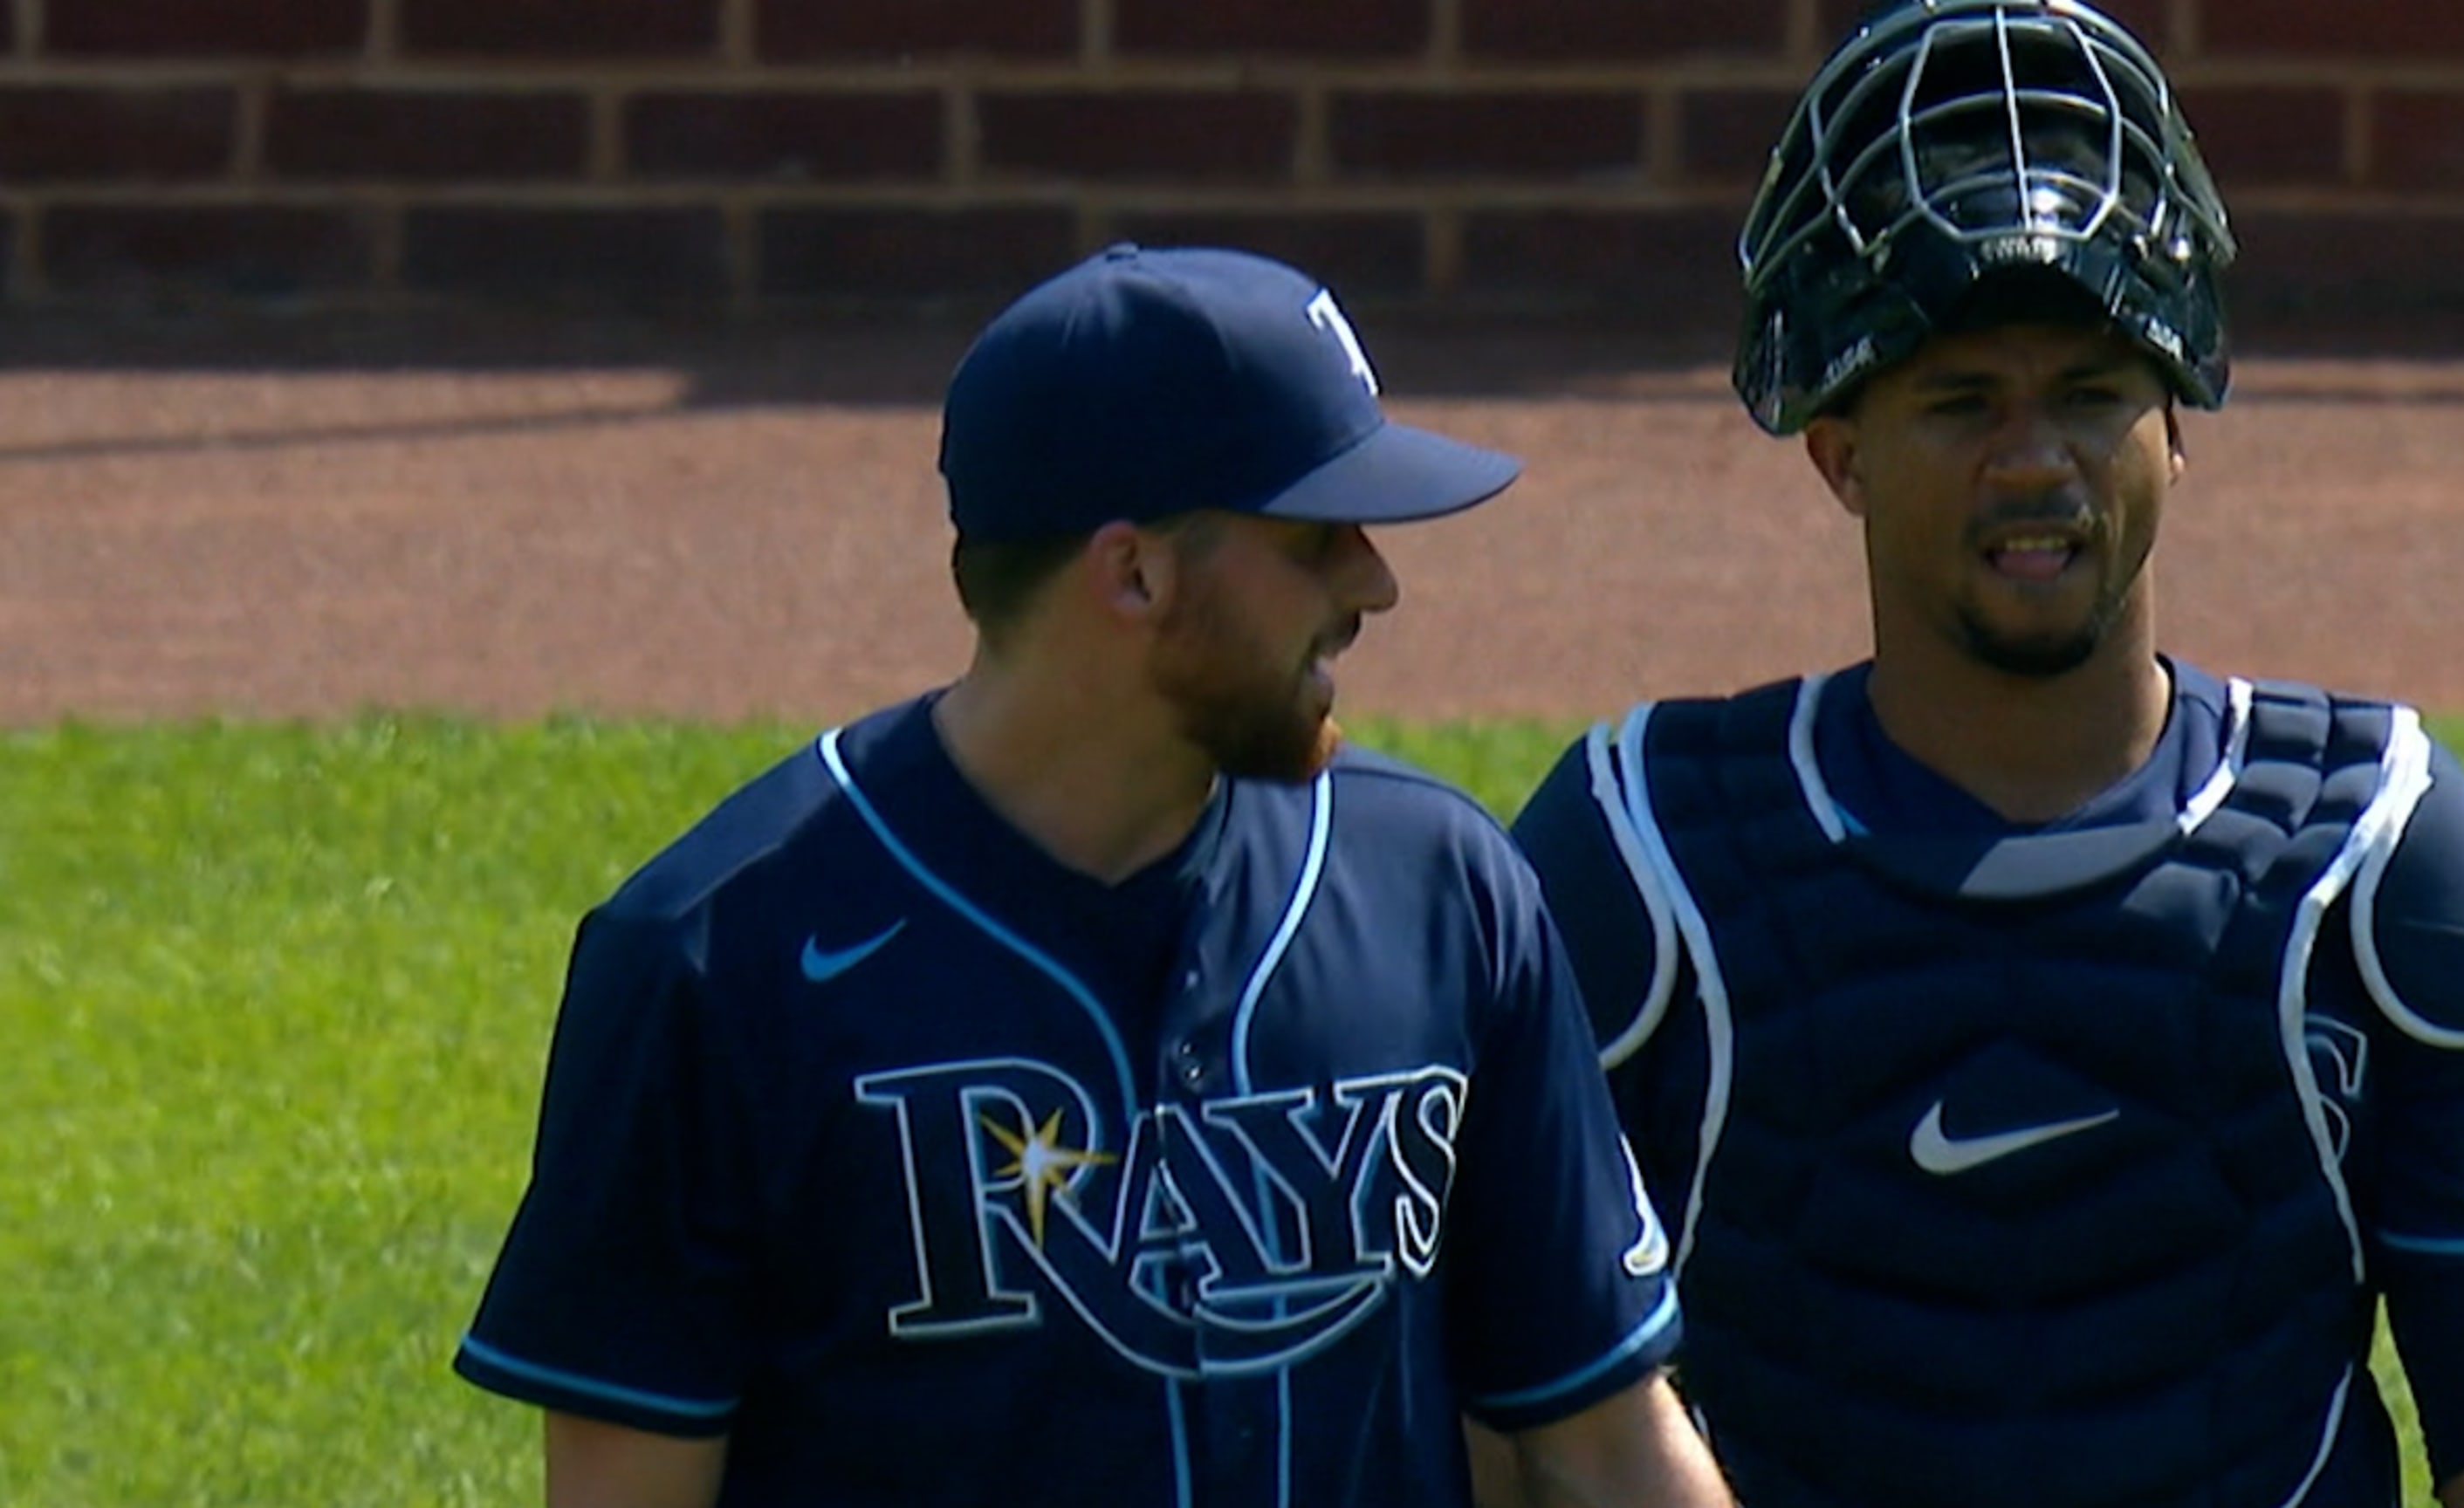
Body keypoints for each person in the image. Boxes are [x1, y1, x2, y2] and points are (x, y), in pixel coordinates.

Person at [1505, 3, 2464, 1506]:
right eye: (1961, 401)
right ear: (1839, 449)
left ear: (2179, 425)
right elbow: (1503, 1422)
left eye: (2092, 394)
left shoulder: (2375, 859)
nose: (2035, 460)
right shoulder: (1646, 860)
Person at [452, 243, 1737, 1508]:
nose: (1375, 584)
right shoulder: (716, 962)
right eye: (1315, 539)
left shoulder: (1443, 893)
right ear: (1134, 572)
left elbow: (1609, 1444)